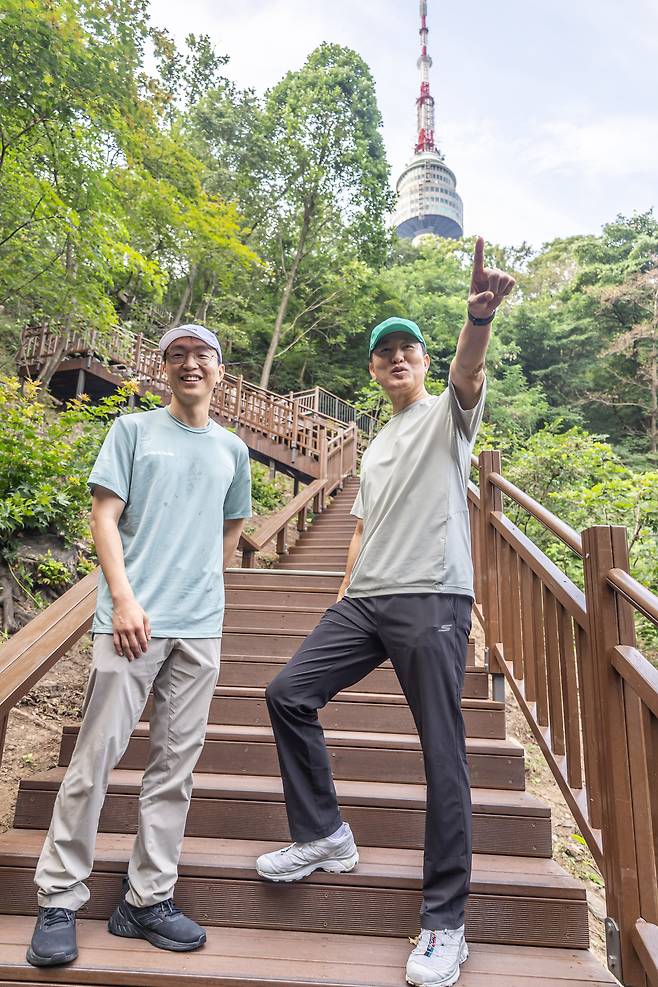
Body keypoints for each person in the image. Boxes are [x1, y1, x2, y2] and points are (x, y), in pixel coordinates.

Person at [256, 239, 515, 987]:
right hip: (366, 600)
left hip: (433, 594)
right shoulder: (373, 447)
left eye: (407, 349)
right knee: (286, 692)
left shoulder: (446, 417)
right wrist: (342, 591)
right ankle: (324, 833)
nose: (396, 358)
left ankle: (445, 923)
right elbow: (364, 523)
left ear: (423, 363)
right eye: (384, 353)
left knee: (442, 753)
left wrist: (478, 318)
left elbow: (470, 370)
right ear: (372, 371)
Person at [27, 325, 252, 968]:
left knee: (174, 771)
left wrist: (208, 585)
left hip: (200, 627)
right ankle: (59, 897)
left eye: (202, 354)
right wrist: (125, 600)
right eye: (177, 354)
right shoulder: (132, 431)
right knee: (95, 759)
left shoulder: (232, 450)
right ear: (164, 367)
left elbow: (232, 526)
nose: (190, 364)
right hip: (132, 621)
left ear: (218, 370)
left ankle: (147, 898)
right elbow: (103, 514)